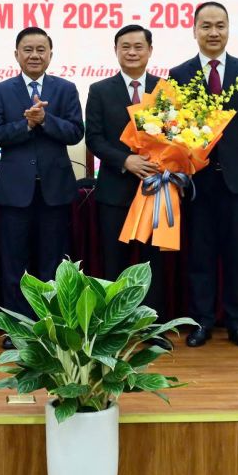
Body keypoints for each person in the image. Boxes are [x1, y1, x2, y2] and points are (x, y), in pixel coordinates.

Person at [169, 2, 238, 349]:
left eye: (220, 26)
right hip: (196, 183)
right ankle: (202, 322)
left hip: (237, 181)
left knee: (237, 255)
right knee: (200, 255)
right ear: (194, 30)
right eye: (206, 26)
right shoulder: (178, 74)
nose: (214, 32)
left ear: (228, 29)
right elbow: (173, 131)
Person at [0, 27, 85, 350]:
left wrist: (45, 120)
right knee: (14, 264)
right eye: (27, 49)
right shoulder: (1, 91)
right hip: (15, 194)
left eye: (41, 49)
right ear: (16, 54)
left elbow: (75, 132)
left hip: (54, 192)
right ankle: (17, 329)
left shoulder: (66, 89)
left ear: (50, 54)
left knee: (52, 264)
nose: (34, 55)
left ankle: (53, 329)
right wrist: (26, 124)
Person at [86, 24, 166, 317]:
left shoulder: (165, 89)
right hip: (114, 191)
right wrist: (125, 161)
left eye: (138, 46)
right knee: (114, 262)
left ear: (150, 50)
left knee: (152, 263)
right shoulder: (99, 90)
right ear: (116, 51)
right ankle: (113, 327)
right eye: (125, 47)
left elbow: (177, 136)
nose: (132, 52)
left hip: (156, 189)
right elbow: (94, 138)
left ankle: (151, 325)